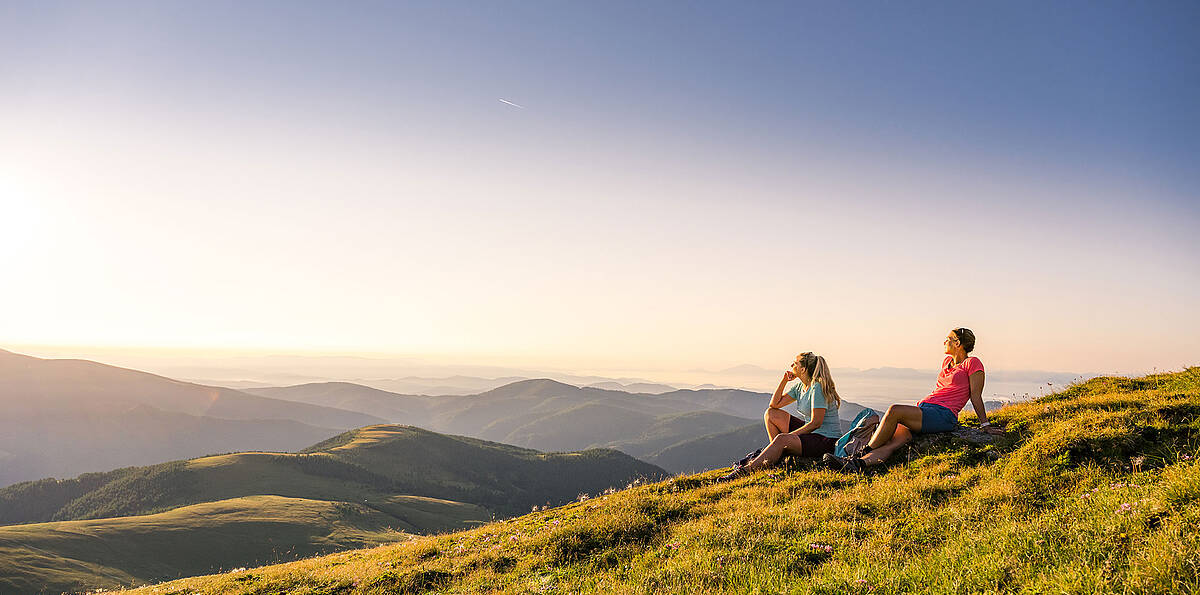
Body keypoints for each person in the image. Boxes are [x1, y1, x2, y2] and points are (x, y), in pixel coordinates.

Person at [824, 328, 1003, 473]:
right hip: (926, 410)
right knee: (895, 441)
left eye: (948, 338)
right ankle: (859, 465)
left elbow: (975, 395)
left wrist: (985, 425)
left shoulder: (972, 363)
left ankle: (860, 454)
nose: (944, 341)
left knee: (894, 410)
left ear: (958, 343)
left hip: (943, 415)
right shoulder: (946, 361)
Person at [719, 352, 842, 481]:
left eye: (795, 363)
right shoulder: (801, 386)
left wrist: (791, 436)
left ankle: (745, 471)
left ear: (803, 369)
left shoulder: (817, 388)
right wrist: (784, 381)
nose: (791, 365)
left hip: (826, 439)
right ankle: (775, 455)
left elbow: (816, 423)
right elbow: (774, 404)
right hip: (812, 433)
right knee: (771, 414)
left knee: (782, 439)